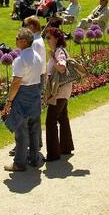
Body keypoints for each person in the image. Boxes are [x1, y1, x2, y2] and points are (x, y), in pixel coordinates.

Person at [3, 28, 44, 172]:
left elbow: (16, 82)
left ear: (24, 41)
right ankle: (34, 158)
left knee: (21, 132)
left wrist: (9, 101)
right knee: (34, 129)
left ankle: (19, 163)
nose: (15, 40)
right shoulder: (38, 57)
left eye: (17, 37)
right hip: (35, 93)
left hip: (23, 96)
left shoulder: (20, 60)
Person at [43, 27, 75, 161]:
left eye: (49, 37)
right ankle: (66, 147)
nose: (47, 40)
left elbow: (62, 68)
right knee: (62, 118)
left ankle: (54, 153)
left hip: (58, 92)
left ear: (57, 38)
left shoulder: (59, 52)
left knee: (50, 121)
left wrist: (52, 58)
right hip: (63, 90)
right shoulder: (59, 51)